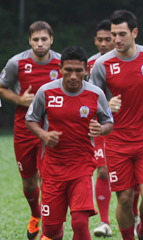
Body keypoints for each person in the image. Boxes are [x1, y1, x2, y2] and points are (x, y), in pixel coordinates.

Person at [90, 9, 143, 240]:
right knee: (124, 198)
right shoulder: (102, 64)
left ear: (134, 32)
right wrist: (106, 105)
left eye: (122, 34)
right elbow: (90, 99)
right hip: (116, 142)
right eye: (114, 34)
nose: (116, 40)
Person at [25, 46, 113, 240]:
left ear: (86, 71)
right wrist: (43, 135)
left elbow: (109, 122)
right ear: (60, 68)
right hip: (53, 169)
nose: (73, 76)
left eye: (78, 71)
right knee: (51, 231)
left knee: (80, 223)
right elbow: (30, 119)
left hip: (82, 167)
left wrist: (101, 129)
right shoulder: (46, 92)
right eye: (69, 70)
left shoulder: (96, 94)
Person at [0, 21, 61, 240]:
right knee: (28, 182)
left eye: (44, 39)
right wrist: (19, 99)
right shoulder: (17, 62)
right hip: (24, 129)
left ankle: (48, 229)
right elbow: (2, 88)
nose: (40, 43)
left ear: (51, 40)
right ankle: (35, 214)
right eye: (36, 39)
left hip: (51, 130)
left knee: (49, 179)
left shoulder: (61, 63)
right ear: (30, 41)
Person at [87, 19, 116, 238]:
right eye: (100, 39)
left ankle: (132, 216)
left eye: (109, 39)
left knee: (128, 176)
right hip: (99, 126)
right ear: (95, 41)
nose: (104, 43)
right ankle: (104, 221)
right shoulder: (89, 64)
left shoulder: (129, 60)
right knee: (103, 170)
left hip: (126, 127)